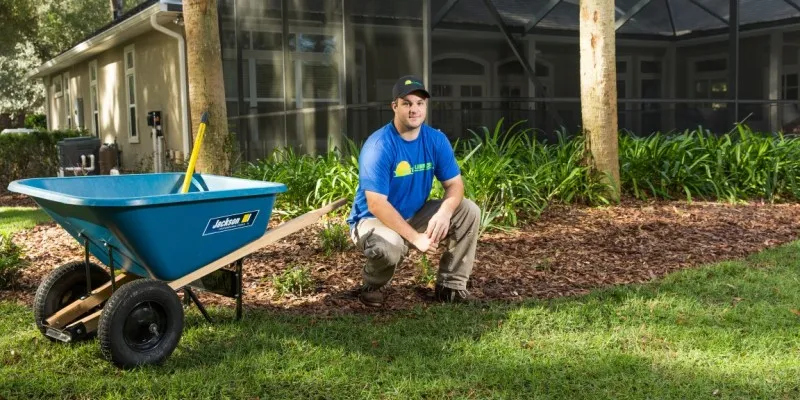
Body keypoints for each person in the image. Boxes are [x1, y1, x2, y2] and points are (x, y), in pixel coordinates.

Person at [346, 74, 481, 307]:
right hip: (372, 219)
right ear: (394, 106)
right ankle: (372, 284)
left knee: (468, 210)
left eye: (419, 103)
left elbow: (455, 185)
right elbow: (376, 204)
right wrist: (416, 237)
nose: (414, 109)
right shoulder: (379, 146)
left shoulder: (435, 140)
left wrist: (445, 212)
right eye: (407, 103)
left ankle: (451, 286)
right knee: (389, 247)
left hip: (414, 213)